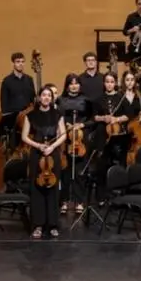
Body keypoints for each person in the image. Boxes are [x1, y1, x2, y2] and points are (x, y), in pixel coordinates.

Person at [22, 86, 67, 239]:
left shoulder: (58, 115)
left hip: (52, 154)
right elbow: (24, 137)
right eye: (44, 95)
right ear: (39, 97)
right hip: (37, 154)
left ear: (52, 98)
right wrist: (39, 146)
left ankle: (53, 225)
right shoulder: (31, 115)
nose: (46, 98)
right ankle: (38, 225)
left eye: (49, 95)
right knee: (37, 189)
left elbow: (63, 135)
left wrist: (52, 146)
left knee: (53, 189)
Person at [57, 74, 94, 215]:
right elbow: (57, 117)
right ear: (67, 86)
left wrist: (82, 124)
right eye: (71, 83)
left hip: (80, 139)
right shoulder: (60, 100)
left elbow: (92, 120)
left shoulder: (86, 100)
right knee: (65, 171)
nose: (74, 86)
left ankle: (79, 201)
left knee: (79, 171)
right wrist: (64, 124)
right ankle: (64, 201)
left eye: (76, 83)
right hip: (65, 138)